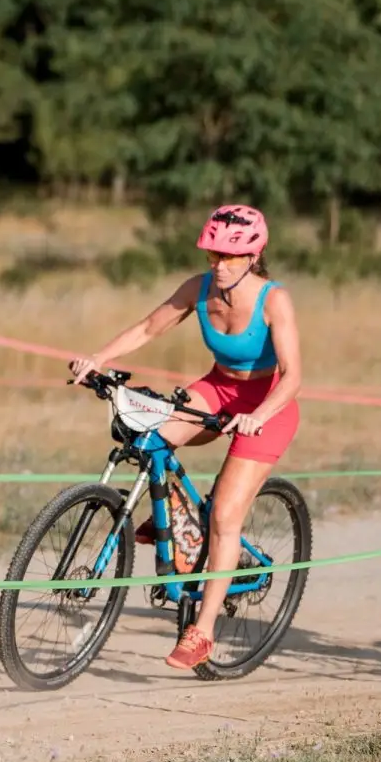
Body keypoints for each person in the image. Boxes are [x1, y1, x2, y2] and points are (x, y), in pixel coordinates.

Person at [68, 205, 302, 670]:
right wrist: (98, 357)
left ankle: (203, 632)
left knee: (226, 517)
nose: (218, 265)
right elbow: (148, 327)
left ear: (253, 257)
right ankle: (172, 515)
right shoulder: (198, 288)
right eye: (213, 254)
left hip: (267, 406)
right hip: (217, 389)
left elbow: (293, 377)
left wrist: (257, 414)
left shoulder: (274, 300)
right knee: (148, 435)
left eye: (229, 258)